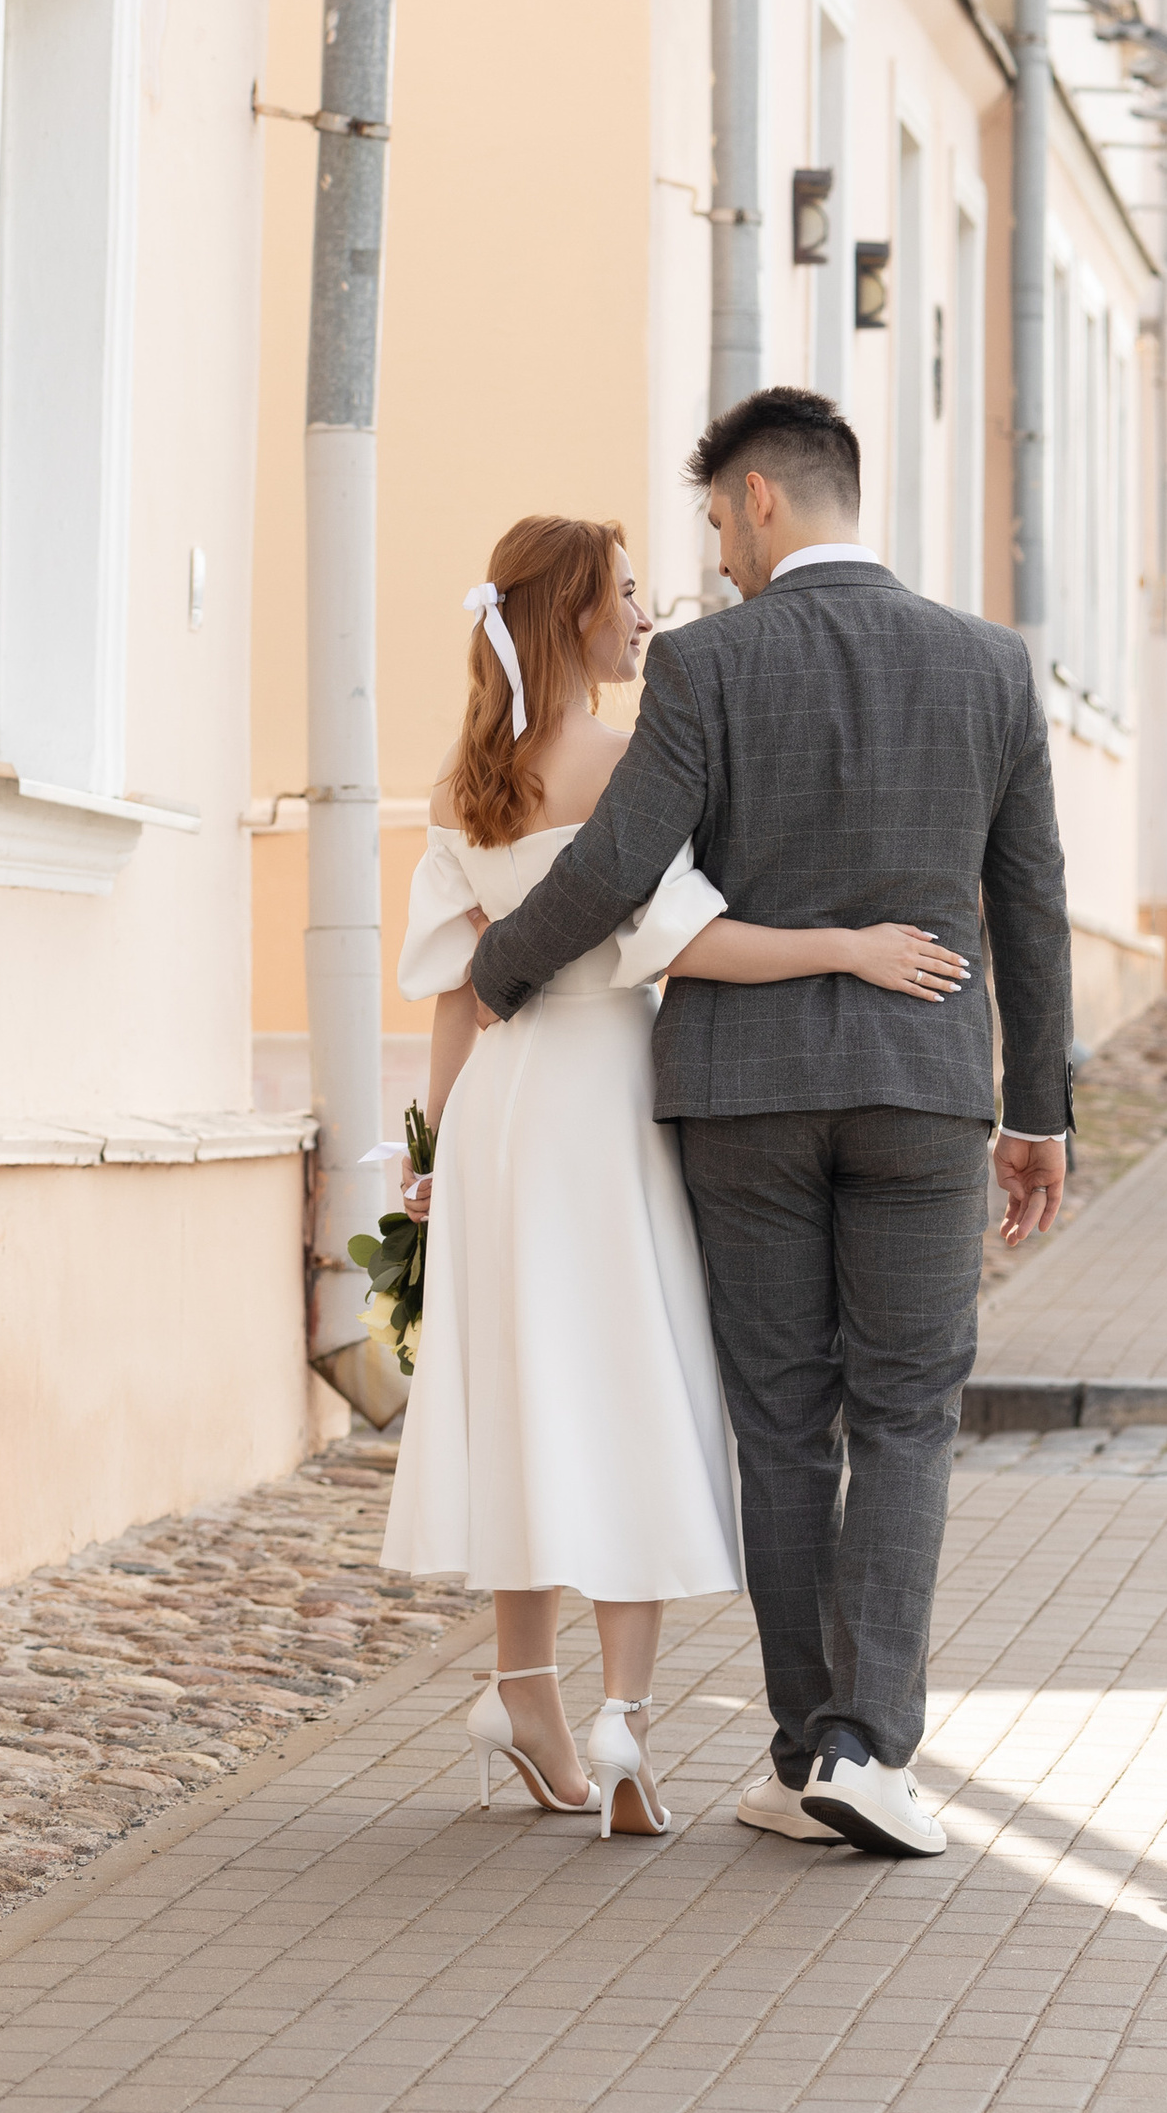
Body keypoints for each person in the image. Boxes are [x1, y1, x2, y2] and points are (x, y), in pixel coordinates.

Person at [471, 388, 1073, 1863]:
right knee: (910, 1416)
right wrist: (1039, 1112)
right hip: (927, 1088)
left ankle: (811, 1746)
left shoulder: (710, 663)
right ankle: (866, 1747)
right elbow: (1032, 905)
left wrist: (496, 967)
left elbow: (620, 860)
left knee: (783, 1426)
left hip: (741, 1098)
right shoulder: (990, 667)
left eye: (715, 524)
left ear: (754, 499)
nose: (714, 561)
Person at [384, 510, 973, 1839]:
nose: (648, 616)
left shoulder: (462, 781)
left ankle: (519, 1687)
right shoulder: (624, 759)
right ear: (573, 618)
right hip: (605, 1105)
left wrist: (429, 1149)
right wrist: (849, 947)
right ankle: (623, 1718)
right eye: (627, 596)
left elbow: (457, 995)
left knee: (522, 1387)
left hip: (495, 1118)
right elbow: (682, 943)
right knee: (630, 1382)